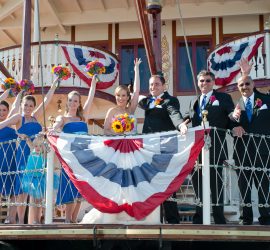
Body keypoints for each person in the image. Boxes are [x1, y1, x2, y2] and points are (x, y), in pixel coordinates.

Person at [0, 79, 58, 224]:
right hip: (23, 153)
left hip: (37, 155)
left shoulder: (35, 117)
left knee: (37, 187)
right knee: (22, 189)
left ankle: (36, 220)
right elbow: (2, 124)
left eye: (31, 105)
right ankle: (20, 221)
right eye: (25, 105)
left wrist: (53, 84)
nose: (28, 107)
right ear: (21, 105)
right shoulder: (18, 117)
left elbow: (46, 100)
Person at [184, 70, 235, 224]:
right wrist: (182, 124)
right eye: (201, 81)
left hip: (216, 148)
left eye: (207, 81)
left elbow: (230, 115)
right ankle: (199, 218)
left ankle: (219, 219)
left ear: (213, 82)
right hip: (197, 151)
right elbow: (188, 118)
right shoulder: (194, 101)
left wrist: (235, 119)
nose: (204, 83)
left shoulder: (223, 98)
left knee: (216, 186)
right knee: (198, 186)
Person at [138, 74, 188, 224]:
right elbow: (136, 97)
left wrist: (181, 125)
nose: (153, 87)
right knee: (150, 183)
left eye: (157, 84)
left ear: (164, 86)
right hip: (149, 148)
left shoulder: (169, 100)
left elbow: (174, 114)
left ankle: (172, 220)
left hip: (165, 148)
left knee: (167, 183)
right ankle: (154, 219)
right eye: (151, 85)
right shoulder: (147, 101)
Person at [50, 75, 98, 223]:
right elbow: (55, 127)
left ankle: (74, 219)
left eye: (75, 101)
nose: (72, 103)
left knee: (80, 188)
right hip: (69, 158)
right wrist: (53, 129)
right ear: (67, 102)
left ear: (79, 103)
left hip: (83, 158)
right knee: (69, 186)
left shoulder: (83, 118)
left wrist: (93, 82)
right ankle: (67, 220)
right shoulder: (62, 118)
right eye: (70, 100)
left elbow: (91, 97)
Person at [232, 62, 270, 225]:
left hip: (263, 151)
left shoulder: (266, 99)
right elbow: (230, 123)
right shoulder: (237, 105)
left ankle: (266, 218)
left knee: (263, 187)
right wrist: (234, 124)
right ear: (238, 87)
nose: (245, 86)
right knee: (244, 188)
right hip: (242, 152)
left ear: (253, 85)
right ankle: (246, 218)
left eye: (247, 83)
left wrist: (245, 72)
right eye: (241, 85)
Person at [104, 58, 141, 135]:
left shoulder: (130, 110)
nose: (120, 98)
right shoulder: (112, 111)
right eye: (118, 95)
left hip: (132, 143)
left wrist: (136, 70)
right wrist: (119, 135)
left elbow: (136, 91)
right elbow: (106, 131)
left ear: (128, 97)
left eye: (123, 95)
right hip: (117, 144)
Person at [18, 134, 46, 224]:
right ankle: (35, 219)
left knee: (40, 200)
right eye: (36, 146)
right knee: (33, 199)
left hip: (39, 178)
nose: (37, 148)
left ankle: (39, 219)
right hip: (30, 178)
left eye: (40, 146)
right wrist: (25, 137)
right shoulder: (32, 151)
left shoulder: (44, 155)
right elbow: (28, 141)